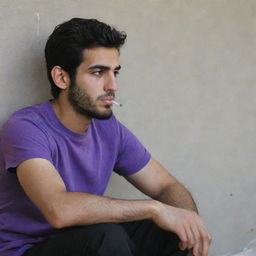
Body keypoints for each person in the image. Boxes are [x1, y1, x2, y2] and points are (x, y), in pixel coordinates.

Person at [0, 18, 211, 256]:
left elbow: (165, 186)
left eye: (115, 72)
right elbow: (58, 209)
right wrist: (154, 209)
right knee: (106, 238)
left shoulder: (108, 128)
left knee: (176, 231)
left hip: (86, 241)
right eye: (98, 72)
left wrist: (189, 221)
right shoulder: (26, 127)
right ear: (61, 78)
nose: (112, 86)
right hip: (28, 250)